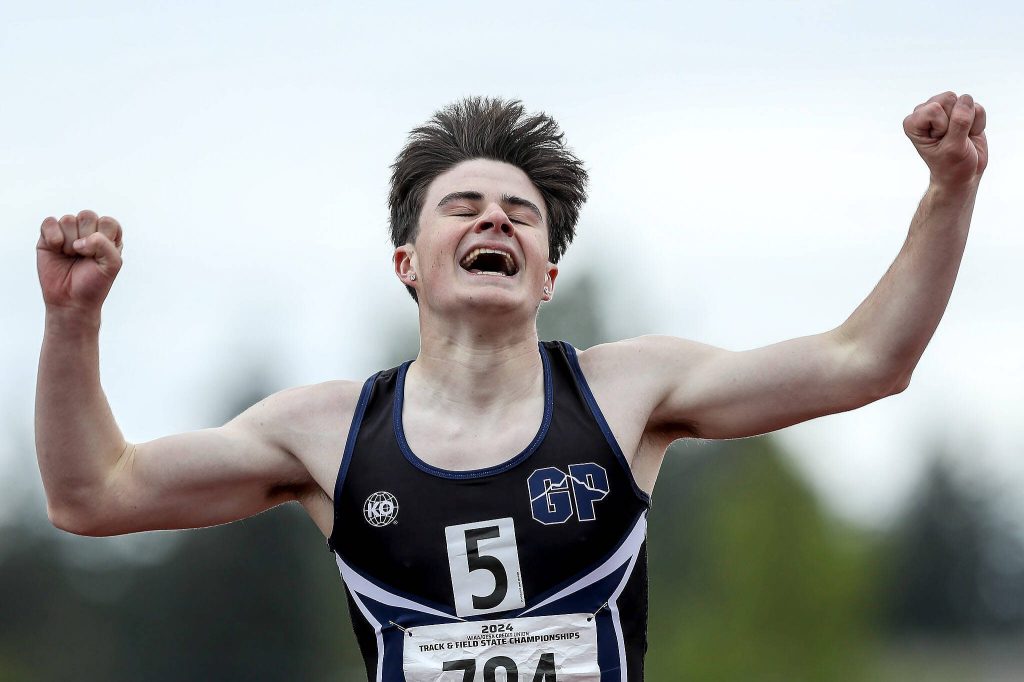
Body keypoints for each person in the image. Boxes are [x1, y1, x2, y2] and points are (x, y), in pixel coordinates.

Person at [35, 92, 987, 681]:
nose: (494, 216)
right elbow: (91, 494)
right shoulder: (325, 432)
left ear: (545, 276)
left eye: (520, 214)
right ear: (409, 262)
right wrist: (73, 323)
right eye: (464, 205)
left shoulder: (628, 393)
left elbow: (868, 361)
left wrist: (951, 188)